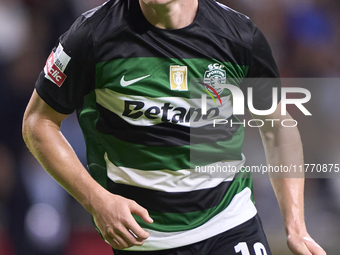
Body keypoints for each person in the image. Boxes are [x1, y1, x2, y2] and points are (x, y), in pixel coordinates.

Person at [22, 0, 326, 254]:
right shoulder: (91, 36)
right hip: (145, 238)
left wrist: (296, 225)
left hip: (230, 223)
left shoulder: (239, 36)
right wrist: (96, 200)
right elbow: (38, 122)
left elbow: (277, 126)